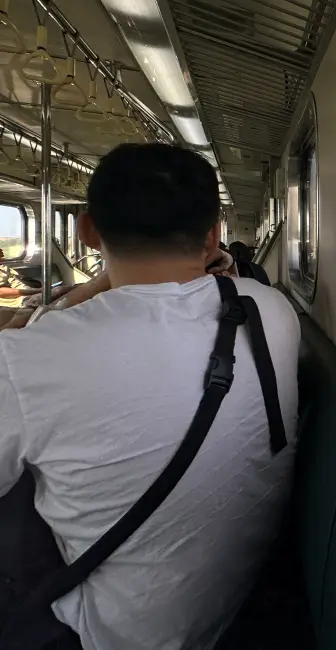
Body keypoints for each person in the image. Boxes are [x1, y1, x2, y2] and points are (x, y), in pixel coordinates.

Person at [0, 143, 300, 649]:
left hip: (112, 633)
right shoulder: (271, 309)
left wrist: (91, 287)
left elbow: (57, 326)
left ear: (87, 230)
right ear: (213, 235)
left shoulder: (27, 359)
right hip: (238, 603)